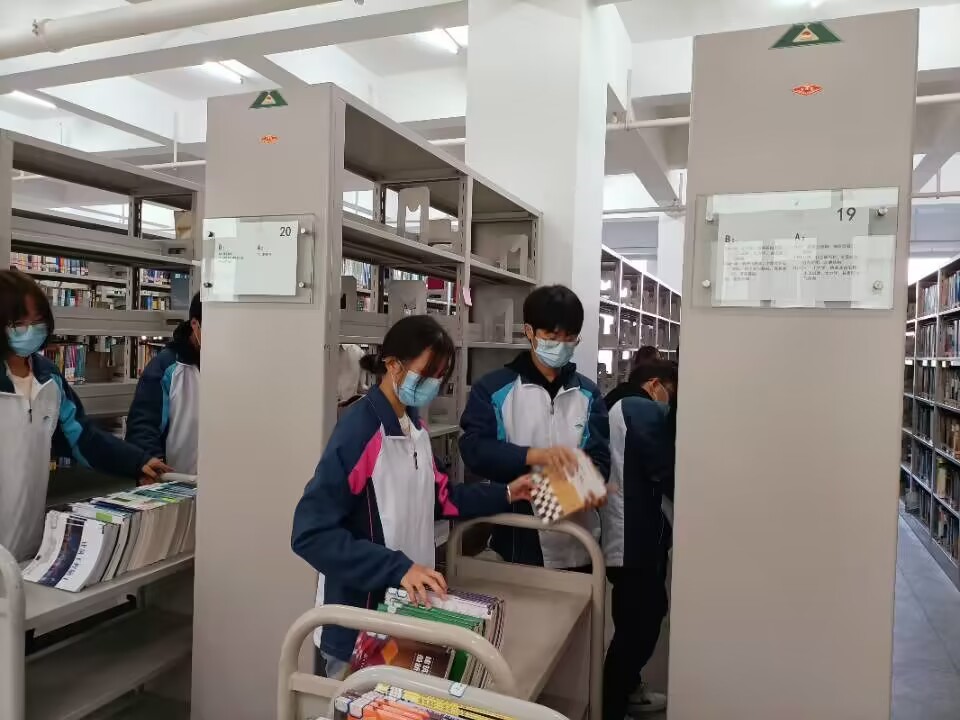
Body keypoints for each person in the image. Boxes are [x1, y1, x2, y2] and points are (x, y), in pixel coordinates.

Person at [291, 314, 535, 680]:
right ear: (393, 365)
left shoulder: (415, 428)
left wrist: (506, 493)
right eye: (427, 374)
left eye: (441, 375)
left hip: (405, 617)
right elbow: (310, 533)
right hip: (361, 630)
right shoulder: (359, 434)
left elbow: (441, 498)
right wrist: (397, 568)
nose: (434, 384)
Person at [0, 270, 171, 561]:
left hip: (25, 542)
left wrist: (137, 461)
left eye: (37, 321)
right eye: (18, 323)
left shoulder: (48, 378)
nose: (30, 330)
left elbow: (82, 438)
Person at [459, 285, 610, 570]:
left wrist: (565, 494)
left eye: (569, 338)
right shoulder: (494, 389)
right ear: (529, 332)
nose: (561, 346)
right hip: (517, 538)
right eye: (552, 337)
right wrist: (533, 456)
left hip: (578, 542)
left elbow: (599, 461)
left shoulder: (588, 394)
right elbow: (475, 450)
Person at [601, 359, 678, 718]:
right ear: (654, 384)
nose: (670, 401)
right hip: (633, 538)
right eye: (670, 392)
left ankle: (625, 691)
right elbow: (664, 468)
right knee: (640, 624)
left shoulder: (620, 404)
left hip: (631, 535)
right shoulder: (638, 407)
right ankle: (613, 705)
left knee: (636, 618)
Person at [126, 292, 201, 474]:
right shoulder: (166, 367)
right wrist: (151, 461)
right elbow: (144, 425)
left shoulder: (237, 365)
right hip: (179, 479)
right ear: (195, 325)